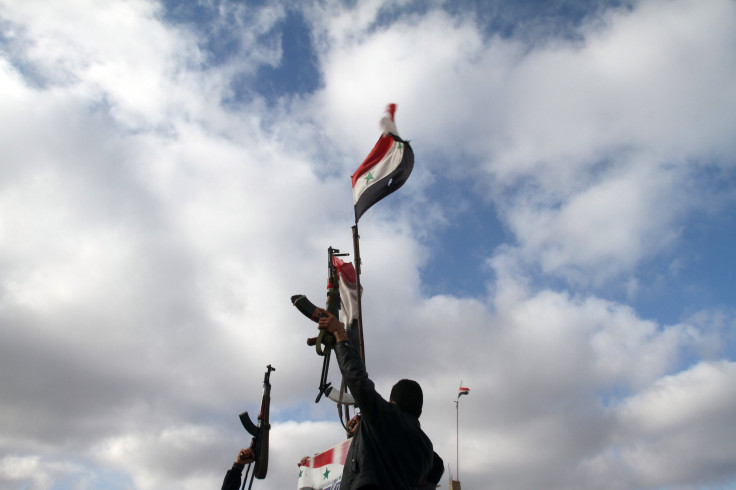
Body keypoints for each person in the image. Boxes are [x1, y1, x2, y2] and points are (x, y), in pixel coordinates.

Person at [317, 308, 436, 489]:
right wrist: (365, 432)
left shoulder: (387, 416)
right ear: (418, 411)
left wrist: (340, 335)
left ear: (393, 403)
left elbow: (359, 381)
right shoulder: (426, 447)